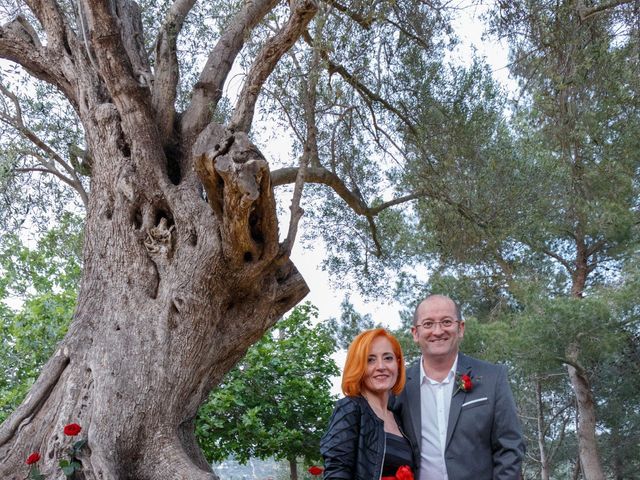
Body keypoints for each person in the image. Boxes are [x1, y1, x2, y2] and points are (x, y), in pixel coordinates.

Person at [394, 294, 525, 480]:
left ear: (460, 328)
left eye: (446, 322)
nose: (438, 331)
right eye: (428, 324)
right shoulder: (398, 386)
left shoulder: (492, 378)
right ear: (415, 333)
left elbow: (510, 447)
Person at [321, 328, 416, 479]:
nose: (381, 367)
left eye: (388, 358)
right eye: (370, 360)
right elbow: (337, 472)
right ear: (358, 367)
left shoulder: (398, 417)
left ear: (398, 364)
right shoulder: (349, 409)